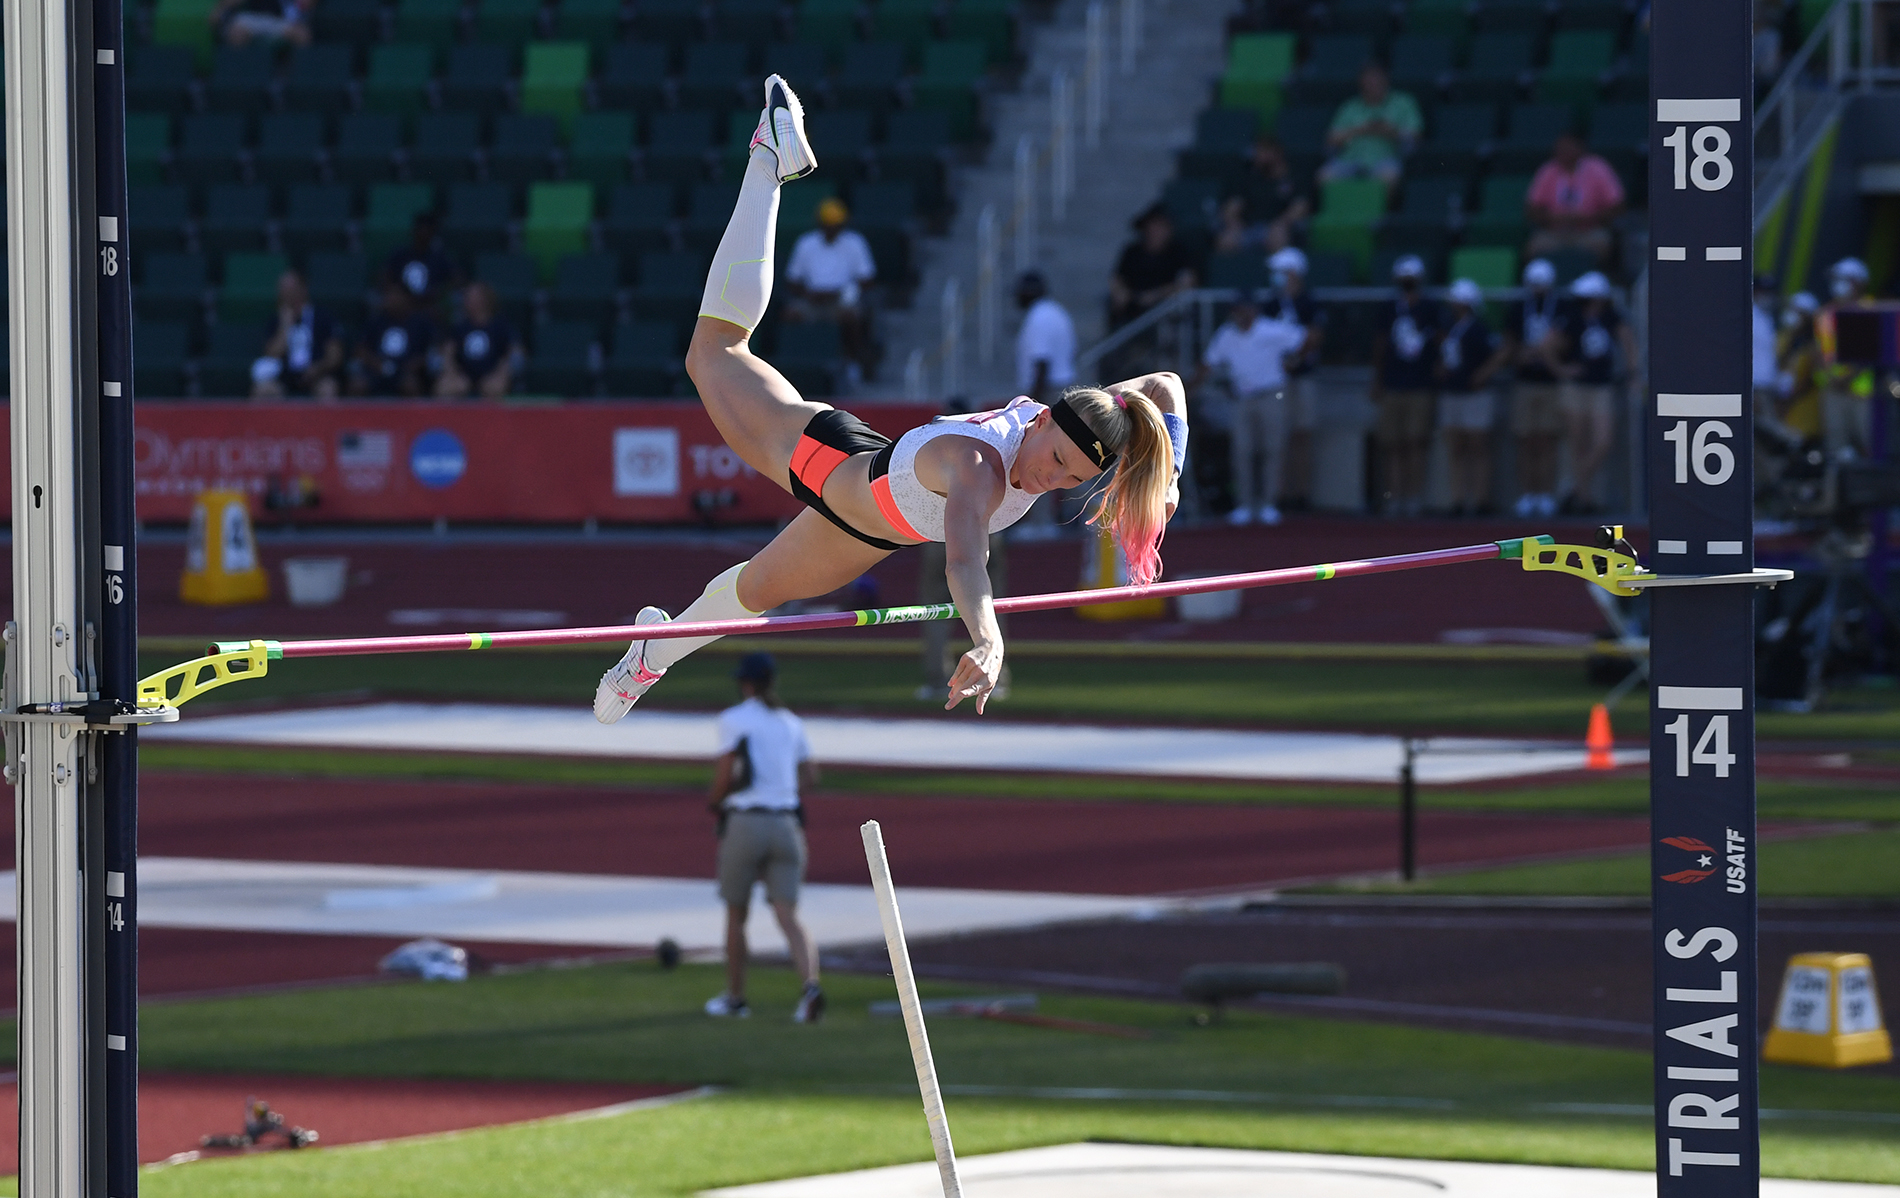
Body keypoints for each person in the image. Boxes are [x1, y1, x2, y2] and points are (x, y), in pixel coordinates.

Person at [592, 77, 1187, 724]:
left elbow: (1163, 390)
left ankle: (650, 653)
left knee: (754, 590)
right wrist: (988, 640)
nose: (1054, 479)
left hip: (872, 528)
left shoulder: (1089, 424)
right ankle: (768, 156)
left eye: (1074, 477)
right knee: (714, 353)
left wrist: (1171, 472)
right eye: (1056, 460)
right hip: (830, 460)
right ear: (1042, 419)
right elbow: (964, 560)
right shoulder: (977, 469)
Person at [703, 652, 825, 1023]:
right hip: (786, 823)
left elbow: (726, 774)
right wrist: (782, 790)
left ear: (746, 683)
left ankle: (736, 998)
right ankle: (810, 989)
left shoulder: (734, 720)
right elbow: (811, 777)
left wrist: (715, 801)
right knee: (789, 915)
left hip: (746, 821)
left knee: (736, 913)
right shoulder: (791, 723)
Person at [1197, 289, 1306, 524]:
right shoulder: (1226, 334)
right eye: (1238, 310)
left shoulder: (1272, 329)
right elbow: (1209, 363)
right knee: (1242, 450)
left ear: (1255, 310)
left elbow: (1305, 338)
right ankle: (1244, 505)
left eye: (1246, 309)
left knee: (1272, 449)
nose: (1242, 314)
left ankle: (1268, 504)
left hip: (1272, 394)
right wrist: (1188, 387)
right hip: (1241, 398)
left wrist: (1293, 362)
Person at [1552, 271, 1637, 514]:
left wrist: (1633, 372)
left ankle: (1574, 487)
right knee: (1578, 443)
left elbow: (1628, 341)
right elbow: (1548, 345)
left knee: (1603, 441)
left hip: (1601, 386)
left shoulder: (1612, 316)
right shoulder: (1571, 317)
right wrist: (1561, 368)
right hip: (1576, 387)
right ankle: (1585, 497)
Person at [1369, 255, 1438, 515]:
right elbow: (1380, 344)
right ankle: (1394, 496)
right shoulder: (1389, 308)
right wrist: (1377, 379)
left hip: (1420, 384)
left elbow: (1440, 341)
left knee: (1415, 442)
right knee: (1393, 443)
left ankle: (1413, 497)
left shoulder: (1430, 307)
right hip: (1393, 383)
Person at [1011, 270, 1078, 537]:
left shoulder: (1038, 318)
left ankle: (1040, 524)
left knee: (1037, 458)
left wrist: (1031, 405)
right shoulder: (1056, 312)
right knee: (1074, 458)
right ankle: (1080, 520)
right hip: (1066, 388)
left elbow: (1041, 363)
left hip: (1049, 391)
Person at [1260, 247, 1326, 510]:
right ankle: (1279, 495)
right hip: (1275, 380)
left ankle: (1302, 493)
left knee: (1303, 434)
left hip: (1302, 377)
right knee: (1278, 437)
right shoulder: (1269, 304)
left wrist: (1296, 358)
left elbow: (1316, 335)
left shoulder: (1309, 302)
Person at [784, 196, 878, 375]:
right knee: (790, 315)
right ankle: (799, 365)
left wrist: (838, 293)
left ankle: (852, 363)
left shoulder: (855, 243)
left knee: (852, 318)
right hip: (811, 300)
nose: (831, 229)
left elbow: (867, 279)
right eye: (827, 224)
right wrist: (808, 294)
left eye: (835, 225)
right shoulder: (806, 243)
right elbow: (792, 279)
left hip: (842, 301)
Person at [1502, 258, 1565, 517]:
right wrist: (1522, 354)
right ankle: (1528, 494)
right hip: (1525, 382)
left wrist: (1547, 352)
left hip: (1550, 383)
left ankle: (1546, 494)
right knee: (1526, 441)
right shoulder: (1518, 308)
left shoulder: (1560, 308)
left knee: (1547, 440)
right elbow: (1509, 343)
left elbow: (1565, 340)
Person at [1434, 278, 1500, 516]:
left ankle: (1480, 499)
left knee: (1478, 446)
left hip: (1475, 394)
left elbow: (1497, 355)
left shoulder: (1480, 328)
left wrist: (1482, 375)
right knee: (1456, 447)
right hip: (1452, 392)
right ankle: (1458, 499)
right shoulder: (1447, 326)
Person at [1523, 133, 1626, 266]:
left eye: (1568, 147)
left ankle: (1593, 280)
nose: (1563, 151)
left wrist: (1588, 217)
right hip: (1554, 232)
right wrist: (1552, 218)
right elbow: (1531, 208)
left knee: (1601, 243)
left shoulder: (1598, 168)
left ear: (1580, 148)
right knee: (1535, 246)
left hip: (1589, 231)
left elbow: (1617, 206)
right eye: (1560, 147)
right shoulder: (1549, 169)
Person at [1319, 63, 1421, 190]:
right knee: (1325, 176)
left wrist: (1390, 131)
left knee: (1389, 177)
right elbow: (1331, 138)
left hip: (1386, 157)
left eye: (1377, 78)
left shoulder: (1404, 102)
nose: (1373, 83)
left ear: (1386, 79)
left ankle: (1379, 210)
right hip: (1351, 158)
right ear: (1361, 82)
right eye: (1369, 79)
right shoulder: (1349, 107)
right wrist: (1361, 129)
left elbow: (1415, 135)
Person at [250, 270, 343, 399]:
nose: (285, 293)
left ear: (303, 289)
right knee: (262, 390)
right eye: (282, 289)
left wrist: (317, 369)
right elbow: (271, 354)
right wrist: (285, 326)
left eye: (290, 288)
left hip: (316, 375)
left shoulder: (323, 317)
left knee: (328, 388)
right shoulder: (276, 320)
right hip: (285, 377)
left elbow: (335, 356)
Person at [1109, 203, 1199, 329]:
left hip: (1165, 307)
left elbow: (1188, 281)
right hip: (1134, 304)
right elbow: (1117, 278)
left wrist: (1156, 295)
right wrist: (1121, 293)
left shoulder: (1178, 252)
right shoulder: (1132, 251)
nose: (1157, 231)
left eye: (1162, 226)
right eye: (1153, 225)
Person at [1215, 137, 1311, 254]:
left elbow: (1300, 206)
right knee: (1227, 240)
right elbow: (1233, 205)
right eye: (1257, 152)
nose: (1258, 156)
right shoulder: (1249, 178)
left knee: (1279, 237)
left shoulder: (1294, 178)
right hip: (1249, 228)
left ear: (1278, 153)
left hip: (1280, 226)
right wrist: (1234, 224)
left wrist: (1282, 223)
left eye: (1263, 152)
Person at [1819, 257, 1874, 459]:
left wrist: (1848, 377)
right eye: (1836, 279)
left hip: (1864, 393)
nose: (1837, 284)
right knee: (1836, 447)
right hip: (1832, 390)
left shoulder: (1871, 310)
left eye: (1844, 279)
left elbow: (1872, 350)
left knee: (1870, 443)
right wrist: (1832, 378)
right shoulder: (1826, 313)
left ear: (1859, 282)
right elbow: (1821, 351)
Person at [351, 282, 436, 397]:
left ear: (406, 298)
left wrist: (411, 366)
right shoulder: (376, 321)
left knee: (410, 385)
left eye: (396, 295)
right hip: (376, 370)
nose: (390, 299)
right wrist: (378, 365)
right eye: (388, 295)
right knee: (358, 385)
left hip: (405, 372)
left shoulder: (420, 322)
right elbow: (360, 350)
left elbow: (430, 351)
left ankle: (413, 415)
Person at [435, 282, 516, 400]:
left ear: (485, 299)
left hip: (492, 375)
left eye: (474, 297)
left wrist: (500, 375)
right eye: (468, 297)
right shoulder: (460, 327)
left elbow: (511, 353)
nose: (469, 300)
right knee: (444, 389)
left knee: (494, 388)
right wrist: (452, 375)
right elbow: (448, 353)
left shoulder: (500, 326)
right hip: (463, 376)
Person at [386, 212, 459, 316]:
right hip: (401, 305)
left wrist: (440, 292)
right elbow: (385, 278)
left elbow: (457, 280)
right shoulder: (400, 255)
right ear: (414, 230)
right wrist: (398, 294)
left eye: (428, 229)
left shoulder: (440, 258)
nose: (423, 233)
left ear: (433, 232)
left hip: (430, 306)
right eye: (421, 229)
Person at [212, 0, 312, 46]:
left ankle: (285, 77)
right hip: (252, 18)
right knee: (236, 34)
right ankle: (241, 78)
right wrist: (220, 10)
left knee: (302, 35)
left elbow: (304, 4)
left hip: (278, 20)